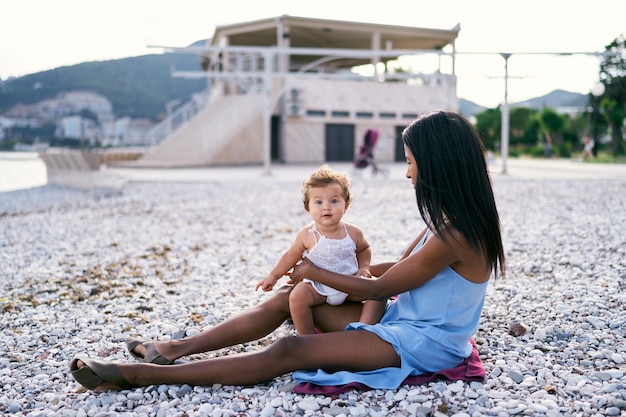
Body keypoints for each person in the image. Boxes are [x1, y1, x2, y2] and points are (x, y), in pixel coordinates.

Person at [69, 110, 505, 392]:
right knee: (285, 301)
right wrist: (328, 273)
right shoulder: (446, 222)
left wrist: (315, 270)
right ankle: (174, 348)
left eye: (411, 161)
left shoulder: (459, 233)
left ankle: (142, 375)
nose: (407, 173)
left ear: (438, 164)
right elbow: (401, 270)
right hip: (404, 321)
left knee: (289, 351)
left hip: (427, 342)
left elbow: (383, 287)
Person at [255, 164, 386, 335]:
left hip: (349, 283)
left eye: (334, 201)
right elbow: (290, 256)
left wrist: (364, 268)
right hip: (318, 288)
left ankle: (363, 330)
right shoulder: (307, 235)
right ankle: (307, 338)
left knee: (378, 290)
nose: (326, 207)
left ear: (346, 205)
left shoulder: (353, 232)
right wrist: (273, 275)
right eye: (318, 202)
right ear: (308, 207)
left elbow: (364, 249)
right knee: (297, 296)